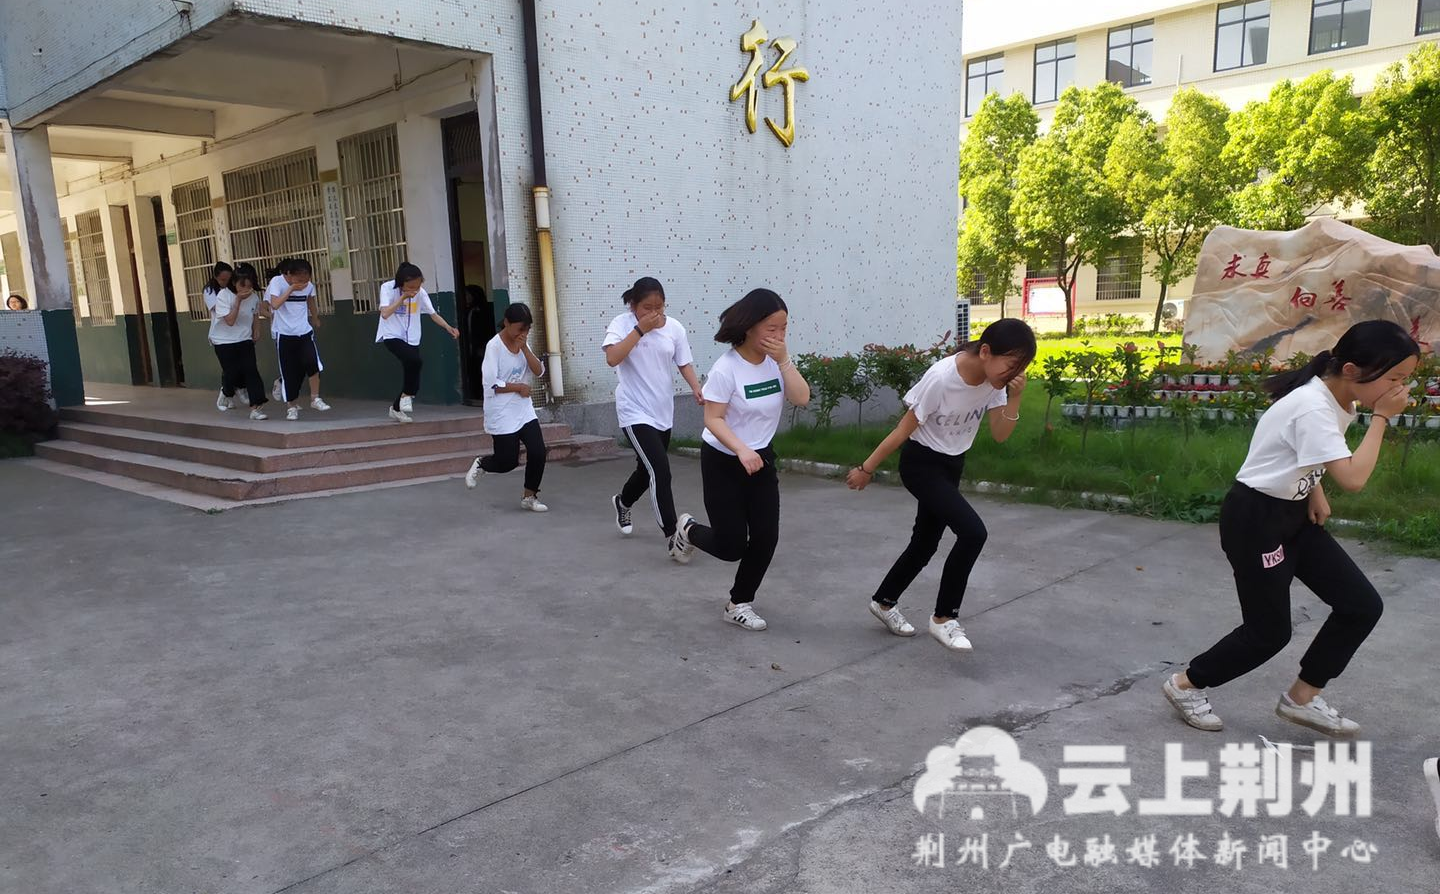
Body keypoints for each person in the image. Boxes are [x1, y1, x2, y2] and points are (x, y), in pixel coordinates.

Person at [1163, 320, 1419, 737]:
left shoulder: (1336, 397)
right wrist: (1382, 419)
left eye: (1404, 379)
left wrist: (1313, 489)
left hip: (1294, 513)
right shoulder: (1313, 406)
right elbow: (1353, 479)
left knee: (1360, 606)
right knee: (1269, 632)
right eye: (1393, 378)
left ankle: (1302, 698)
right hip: (1256, 520)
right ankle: (1185, 685)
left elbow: (1304, 450)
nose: (1399, 389)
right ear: (1352, 370)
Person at [845, 319, 1035, 651]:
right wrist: (866, 468)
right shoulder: (942, 378)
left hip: (952, 464)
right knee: (973, 533)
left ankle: (884, 602)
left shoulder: (996, 381)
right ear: (986, 352)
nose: (1015, 373)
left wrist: (1014, 397)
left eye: (1021, 367)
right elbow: (903, 430)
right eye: (1012, 364)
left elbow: (1000, 435)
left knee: (925, 543)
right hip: (921, 464)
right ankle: (944, 618)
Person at [670, 288, 811, 631]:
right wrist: (741, 449)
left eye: (784, 328)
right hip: (723, 460)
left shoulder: (776, 363)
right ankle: (688, 530)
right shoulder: (726, 368)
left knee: (766, 537)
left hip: (761, 458)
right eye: (771, 328)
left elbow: (802, 398)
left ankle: (738, 603)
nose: (779, 336)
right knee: (731, 546)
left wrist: (784, 360)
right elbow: (713, 419)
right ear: (749, 327)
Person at [602, 276, 703, 560]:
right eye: (647, 307)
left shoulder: (675, 328)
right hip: (634, 411)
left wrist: (696, 388)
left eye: (659, 307)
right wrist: (640, 330)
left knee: (646, 471)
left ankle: (623, 502)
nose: (654, 313)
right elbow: (612, 358)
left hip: (662, 411)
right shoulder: (622, 324)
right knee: (660, 470)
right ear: (633, 305)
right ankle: (673, 536)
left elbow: (683, 362)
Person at [464, 303, 549, 511]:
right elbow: (491, 383)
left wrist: (525, 349)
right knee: (507, 462)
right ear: (507, 323)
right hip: (501, 411)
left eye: (527, 329)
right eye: (520, 329)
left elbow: (539, 371)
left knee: (538, 452)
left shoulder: (523, 344)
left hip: (523, 409)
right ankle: (482, 463)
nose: (523, 334)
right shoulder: (494, 347)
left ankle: (529, 496)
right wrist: (518, 387)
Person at [376, 263, 459, 423]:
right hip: (392, 335)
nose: (415, 290)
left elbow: (433, 314)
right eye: (411, 287)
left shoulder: (421, 293)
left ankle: (397, 407)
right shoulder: (387, 288)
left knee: (413, 370)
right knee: (415, 361)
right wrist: (402, 298)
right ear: (401, 283)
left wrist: (448, 327)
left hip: (412, 337)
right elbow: (385, 314)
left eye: (418, 286)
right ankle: (407, 396)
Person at [264, 258, 330, 421]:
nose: (303, 283)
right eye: (299, 279)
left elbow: (311, 302)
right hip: (284, 333)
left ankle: (315, 398)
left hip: (304, 331)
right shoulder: (277, 282)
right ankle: (291, 407)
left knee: (312, 363)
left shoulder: (309, 286)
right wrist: (291, 289)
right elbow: (275, 305)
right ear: (289, 274)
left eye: (306, 279)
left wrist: (315, 318)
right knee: (289, 371)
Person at [208, 271, 269, 420]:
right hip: (223, 340)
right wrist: (238, 301)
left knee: (251, 371)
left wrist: (256, 330)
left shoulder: (254, 297)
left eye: (249, 286)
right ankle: (227, 391)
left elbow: (255, 315)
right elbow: (230, 321)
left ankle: (256, 409)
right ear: (234, 283)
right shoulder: (224, 295)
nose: (246, 289)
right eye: (242, 285)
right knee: (232, 373)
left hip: (244, 338)